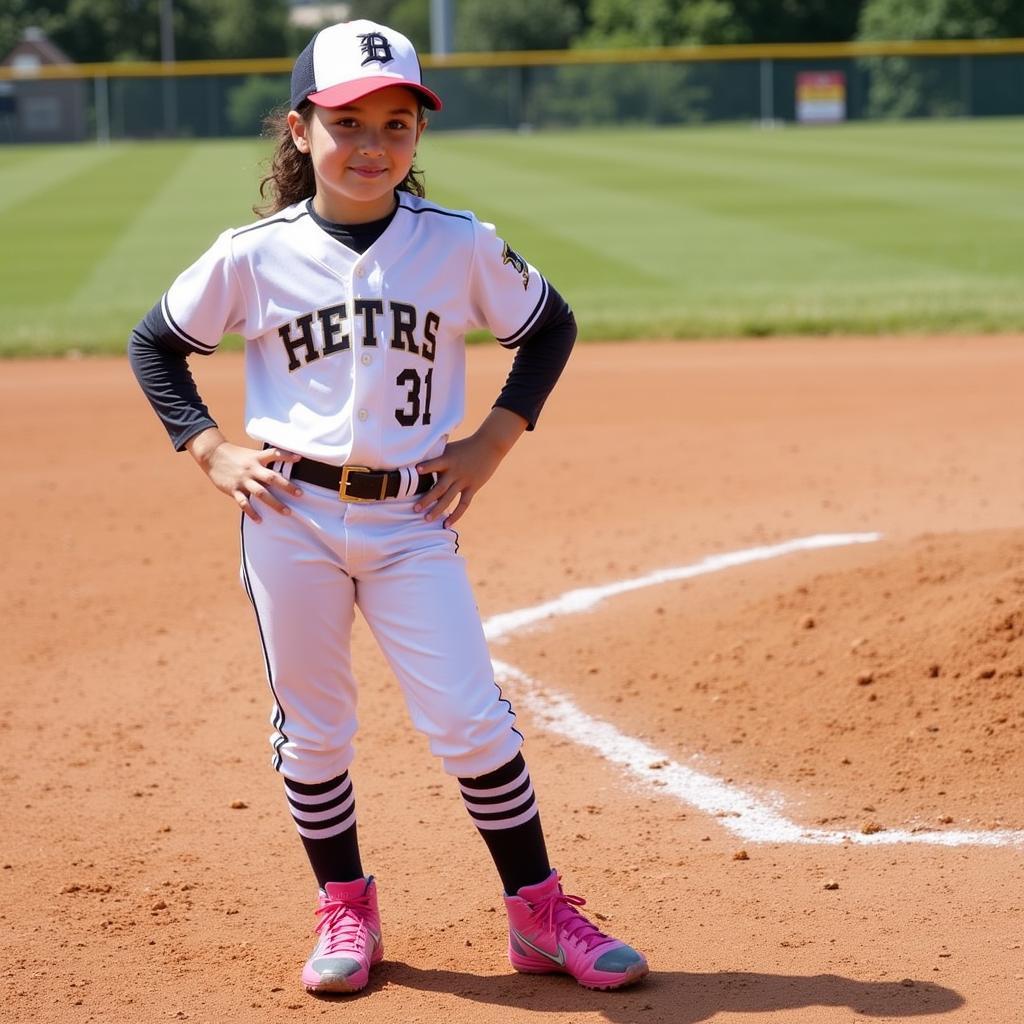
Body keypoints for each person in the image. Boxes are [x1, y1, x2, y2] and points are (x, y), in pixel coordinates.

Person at [128, 19, 648, 996]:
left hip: (413, 520)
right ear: (298, 129)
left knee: (469, 717)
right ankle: (345, 907)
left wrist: (494, 439)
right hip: (292, 518)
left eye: (396, 123)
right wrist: (208, 447)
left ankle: (537, 912)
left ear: (417, 135)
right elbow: (155, 344)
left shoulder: (456, 245)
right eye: (346, 121)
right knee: (315, 730)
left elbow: (549, 326)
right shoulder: (254, 254)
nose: (372, 145)